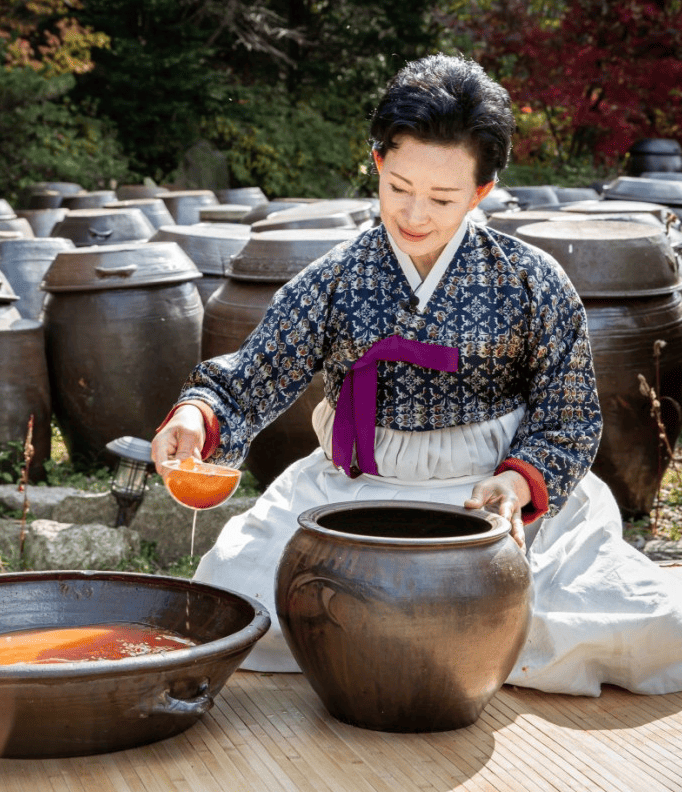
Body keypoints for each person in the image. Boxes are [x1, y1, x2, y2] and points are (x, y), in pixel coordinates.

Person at [152, 53, 682, 696]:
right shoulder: (335, 278)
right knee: (230, 601)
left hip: (490, 506)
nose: (415, 215)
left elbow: (566, 415)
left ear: (482, 191)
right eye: (398, 187)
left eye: (441, 197)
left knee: (630, 624)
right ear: (377, 162)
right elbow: (251, 374)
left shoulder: (532, 281)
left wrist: (518, 486)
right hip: (350, 500)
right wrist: (196, 415)